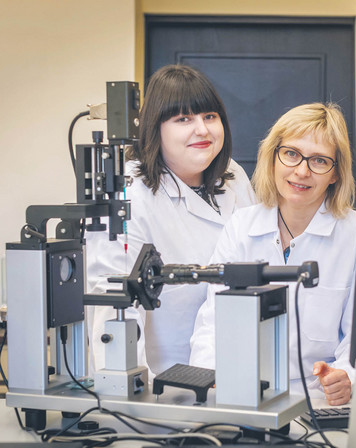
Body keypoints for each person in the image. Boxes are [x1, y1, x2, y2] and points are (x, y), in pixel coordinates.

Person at [87, 64, 255, 377]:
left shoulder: (234, 177)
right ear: (155, 127)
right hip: (163, 383)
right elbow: (114, 304)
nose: (202, 130)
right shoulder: (127, 194)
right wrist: (136, 395)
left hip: (235, 372)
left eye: (209, 116)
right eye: (183, 119)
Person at [189, 103, 356, 406]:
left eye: (319, 160)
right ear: (273, 158)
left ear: (335, 174)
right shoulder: (241, 227)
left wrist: (346, 377)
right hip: (242, 392)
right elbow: (212, 322)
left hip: (319, 399)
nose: (302, 171)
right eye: (291, 154)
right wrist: (208, 380)